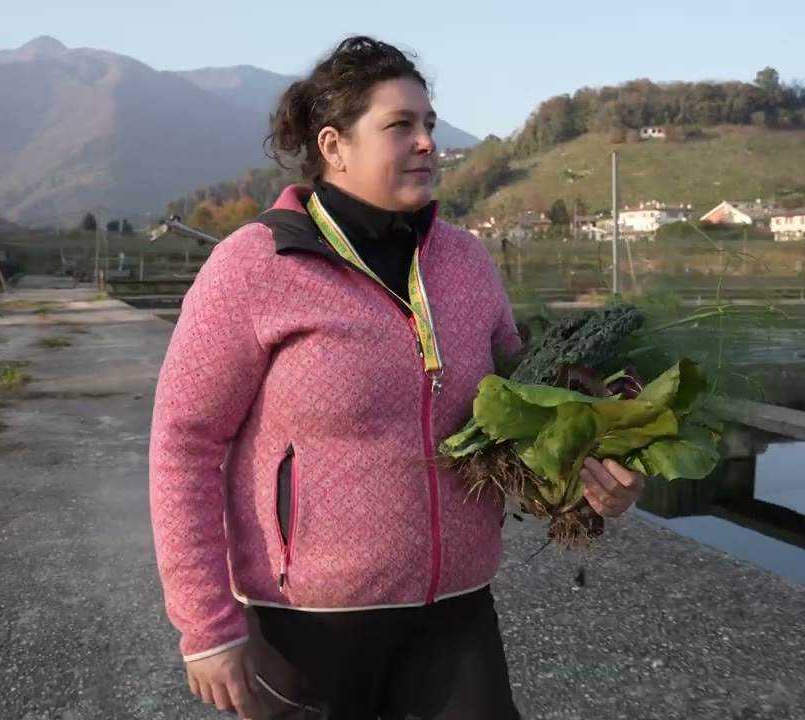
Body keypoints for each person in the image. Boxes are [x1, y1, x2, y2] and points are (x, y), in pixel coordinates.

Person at [148, 35, 647, 720]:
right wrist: (205, 628)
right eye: (400, 126)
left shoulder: (466, 263)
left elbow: (530, 407)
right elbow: (184, 445)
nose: (426, 143)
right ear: (333, 145)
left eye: (430, 126)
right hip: (305, 625)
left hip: (454, 611)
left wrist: (595, 474)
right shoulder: (254, 266)